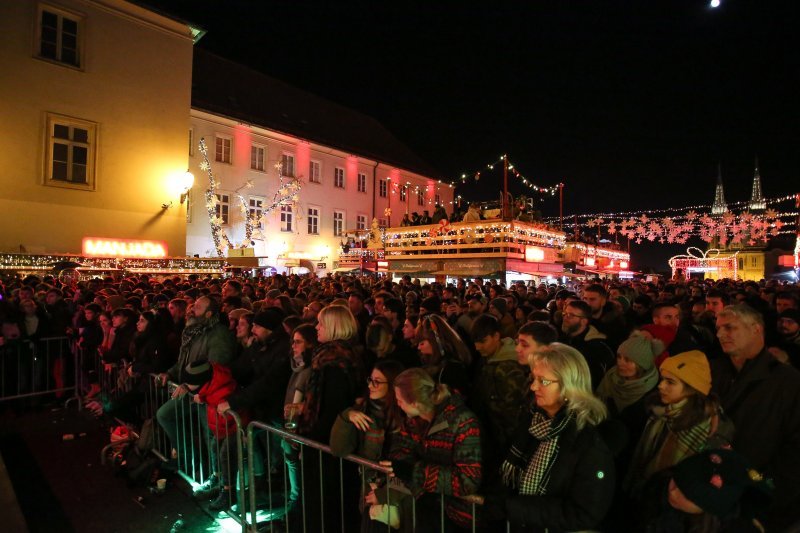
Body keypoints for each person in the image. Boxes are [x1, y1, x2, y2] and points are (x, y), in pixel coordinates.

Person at [500, 343, 615, 532]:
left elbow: (584, 512)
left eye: (543, 381)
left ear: (569, 386)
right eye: (533, 378)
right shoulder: (534, 421)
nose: (533, 386)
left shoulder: (589, 443)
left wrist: (513, 507)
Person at [711, 304, 800, 529]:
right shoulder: (712, 371)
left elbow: (795, 451)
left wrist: (764, 495)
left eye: (729, 327)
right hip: (713, 491)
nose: (721, 334)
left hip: (759, 500)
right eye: (719, 328)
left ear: (756, 329)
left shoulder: (788, 382)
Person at [386, 367, 482, 531]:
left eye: (400, 400)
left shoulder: (462, 422)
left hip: (458, 516)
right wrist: (421, 491)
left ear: (415, 402)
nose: (398, 404)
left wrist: (415, 472)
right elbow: (399, 452)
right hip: (428, 506)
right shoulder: (414, 420)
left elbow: (468, 480)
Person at [626, 351, 730, 502]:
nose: (661, 386)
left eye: (670, 382)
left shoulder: (706, 428)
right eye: (662, 380)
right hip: (643, 492)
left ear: (691, 388)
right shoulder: (659, 410)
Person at [155, 296, 235, 463]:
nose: (191, 310)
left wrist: (188, 385)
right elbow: (183, 362)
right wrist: (169, 373)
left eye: (198, 307)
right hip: (193, 391)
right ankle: (190, 457)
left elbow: (216, 367)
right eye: (194, 305)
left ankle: (217, 477)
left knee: (211, 435)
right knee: (165, 415)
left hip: (206, 395)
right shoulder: (193, 332)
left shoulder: (218, 334)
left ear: (208, 314)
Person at [330, 359, 406, 532]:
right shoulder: (363, 410)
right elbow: (338, 449)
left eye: (377, 381)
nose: (371, 385)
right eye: (370, 380)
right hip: (371, 494)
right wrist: (346, 417)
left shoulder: (406, 416)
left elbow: (412, 463)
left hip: (398, 496)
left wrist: (387, 494)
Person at [645, 448, 772, 533]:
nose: (673, 491)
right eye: (675, 481)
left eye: (687, 495)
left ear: (709, 509)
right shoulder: (658, 486)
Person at [470, 314, 528, 460]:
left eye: (482, 341)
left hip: (503, 440)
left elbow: (512, 413)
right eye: (475, 342)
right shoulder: (488, 358)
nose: (477, 347)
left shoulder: (509, 368)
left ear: (496, 336)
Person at [559, 300, 616, 389]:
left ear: (584, 321)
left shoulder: (595, 349)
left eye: (571, 315)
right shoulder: (563, 338)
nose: (565, 318)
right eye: (565, 313)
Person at [415, 314, 472, 397]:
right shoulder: (430, 361)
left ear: (434, 341)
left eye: (422, 343)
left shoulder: (452, 369)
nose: (418, 347)